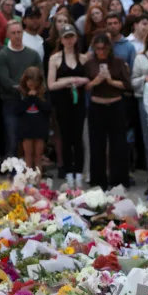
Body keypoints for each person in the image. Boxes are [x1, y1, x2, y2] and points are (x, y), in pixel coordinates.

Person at [85, 32, 131, 190]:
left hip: (115, 105)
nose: (101, 52)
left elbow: (126, 85)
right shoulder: (90, 64)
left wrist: (110, 80)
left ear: (109, 48)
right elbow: (85, 86)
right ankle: (98, 180)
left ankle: (119, 180)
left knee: (118, 144)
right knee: (97, 144)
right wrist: (96, 81)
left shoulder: (118, 62)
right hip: (97, 106)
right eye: (98, 48)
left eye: (104, 48)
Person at [47, 24, 88, 188]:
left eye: (71, 36)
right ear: (61, 40)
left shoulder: (83, 58)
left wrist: (80, 80)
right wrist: (71, 80)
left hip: (79, 102)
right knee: (65, 137)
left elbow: (89, 79)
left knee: (78, 137)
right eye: (66, 37)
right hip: (63, 102)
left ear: (76, 38)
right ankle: (68, 172)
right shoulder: (55, 58)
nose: (69, 40)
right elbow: (51, 84)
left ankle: (79, 173)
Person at [0, 21, 42, 161]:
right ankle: (12, 169)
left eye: (19, 32)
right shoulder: (3, 55)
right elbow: (5, 80)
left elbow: (41, 76)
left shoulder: (33, 54)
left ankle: (31, 169)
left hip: (32, 102)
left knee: (32, 139)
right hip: (11, 102)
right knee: (12, 138)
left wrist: (34, 91)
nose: (17, 35)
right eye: (13, 33)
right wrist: (24, 89)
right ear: (8, 35)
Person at [16, 67, 51, 171]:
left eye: (35, 82)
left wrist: (35, 98)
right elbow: (18, 110)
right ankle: (28, 177)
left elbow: (47, 108)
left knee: (38, 156)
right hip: (26, 128)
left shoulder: (45, 93)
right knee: (28, 155)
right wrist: (30, 98)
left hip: (40, 127)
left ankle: (38, 177)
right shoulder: (20, 93)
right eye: (30, 82)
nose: (32, 85)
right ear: (25, 80)